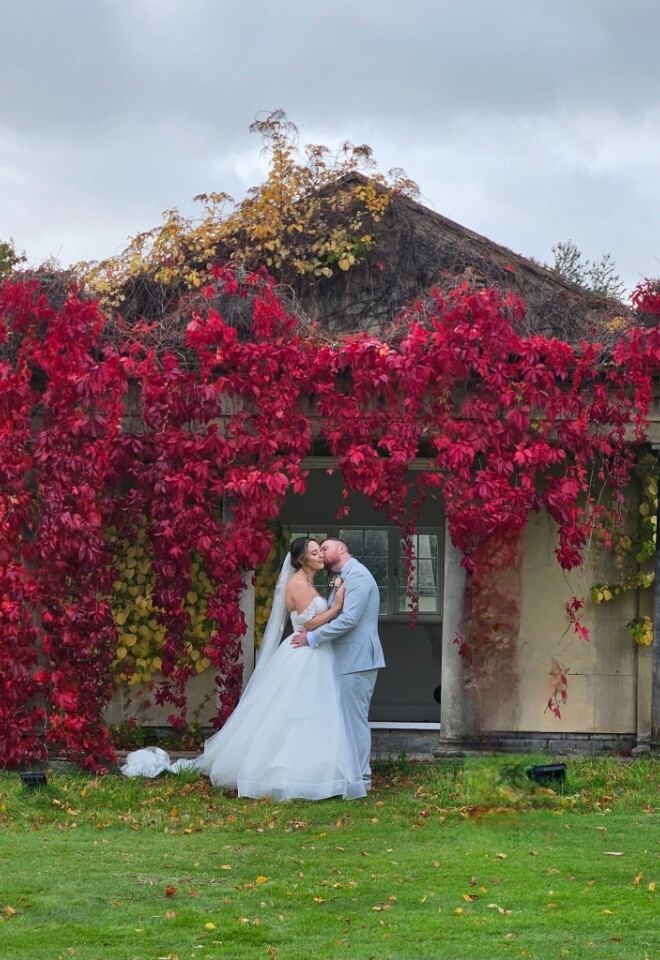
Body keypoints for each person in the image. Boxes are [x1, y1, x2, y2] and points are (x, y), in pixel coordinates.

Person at [121, 538, 367, 800]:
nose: (320, 557)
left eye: (321, 552)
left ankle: (318, 770)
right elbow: (312, 622)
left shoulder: (308, 581)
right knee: (296, 713)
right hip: (304, 652)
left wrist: (338, 589)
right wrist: (339, 607)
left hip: (314, 653)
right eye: (315, 553)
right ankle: (292, 773)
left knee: (313, 713)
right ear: (301, 559)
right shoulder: (298, 582)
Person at [291, 537, 385, 791]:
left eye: (325, 548)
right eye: (317, 550)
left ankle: (362, 778)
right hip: (343, 658)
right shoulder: (341, 577)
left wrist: (311, 638)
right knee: (342, 719)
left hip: (357, 659)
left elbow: (349, 621)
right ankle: (347, 774)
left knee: (354, 720)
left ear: (341, 549)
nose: (321, 553)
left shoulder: (359, 578)